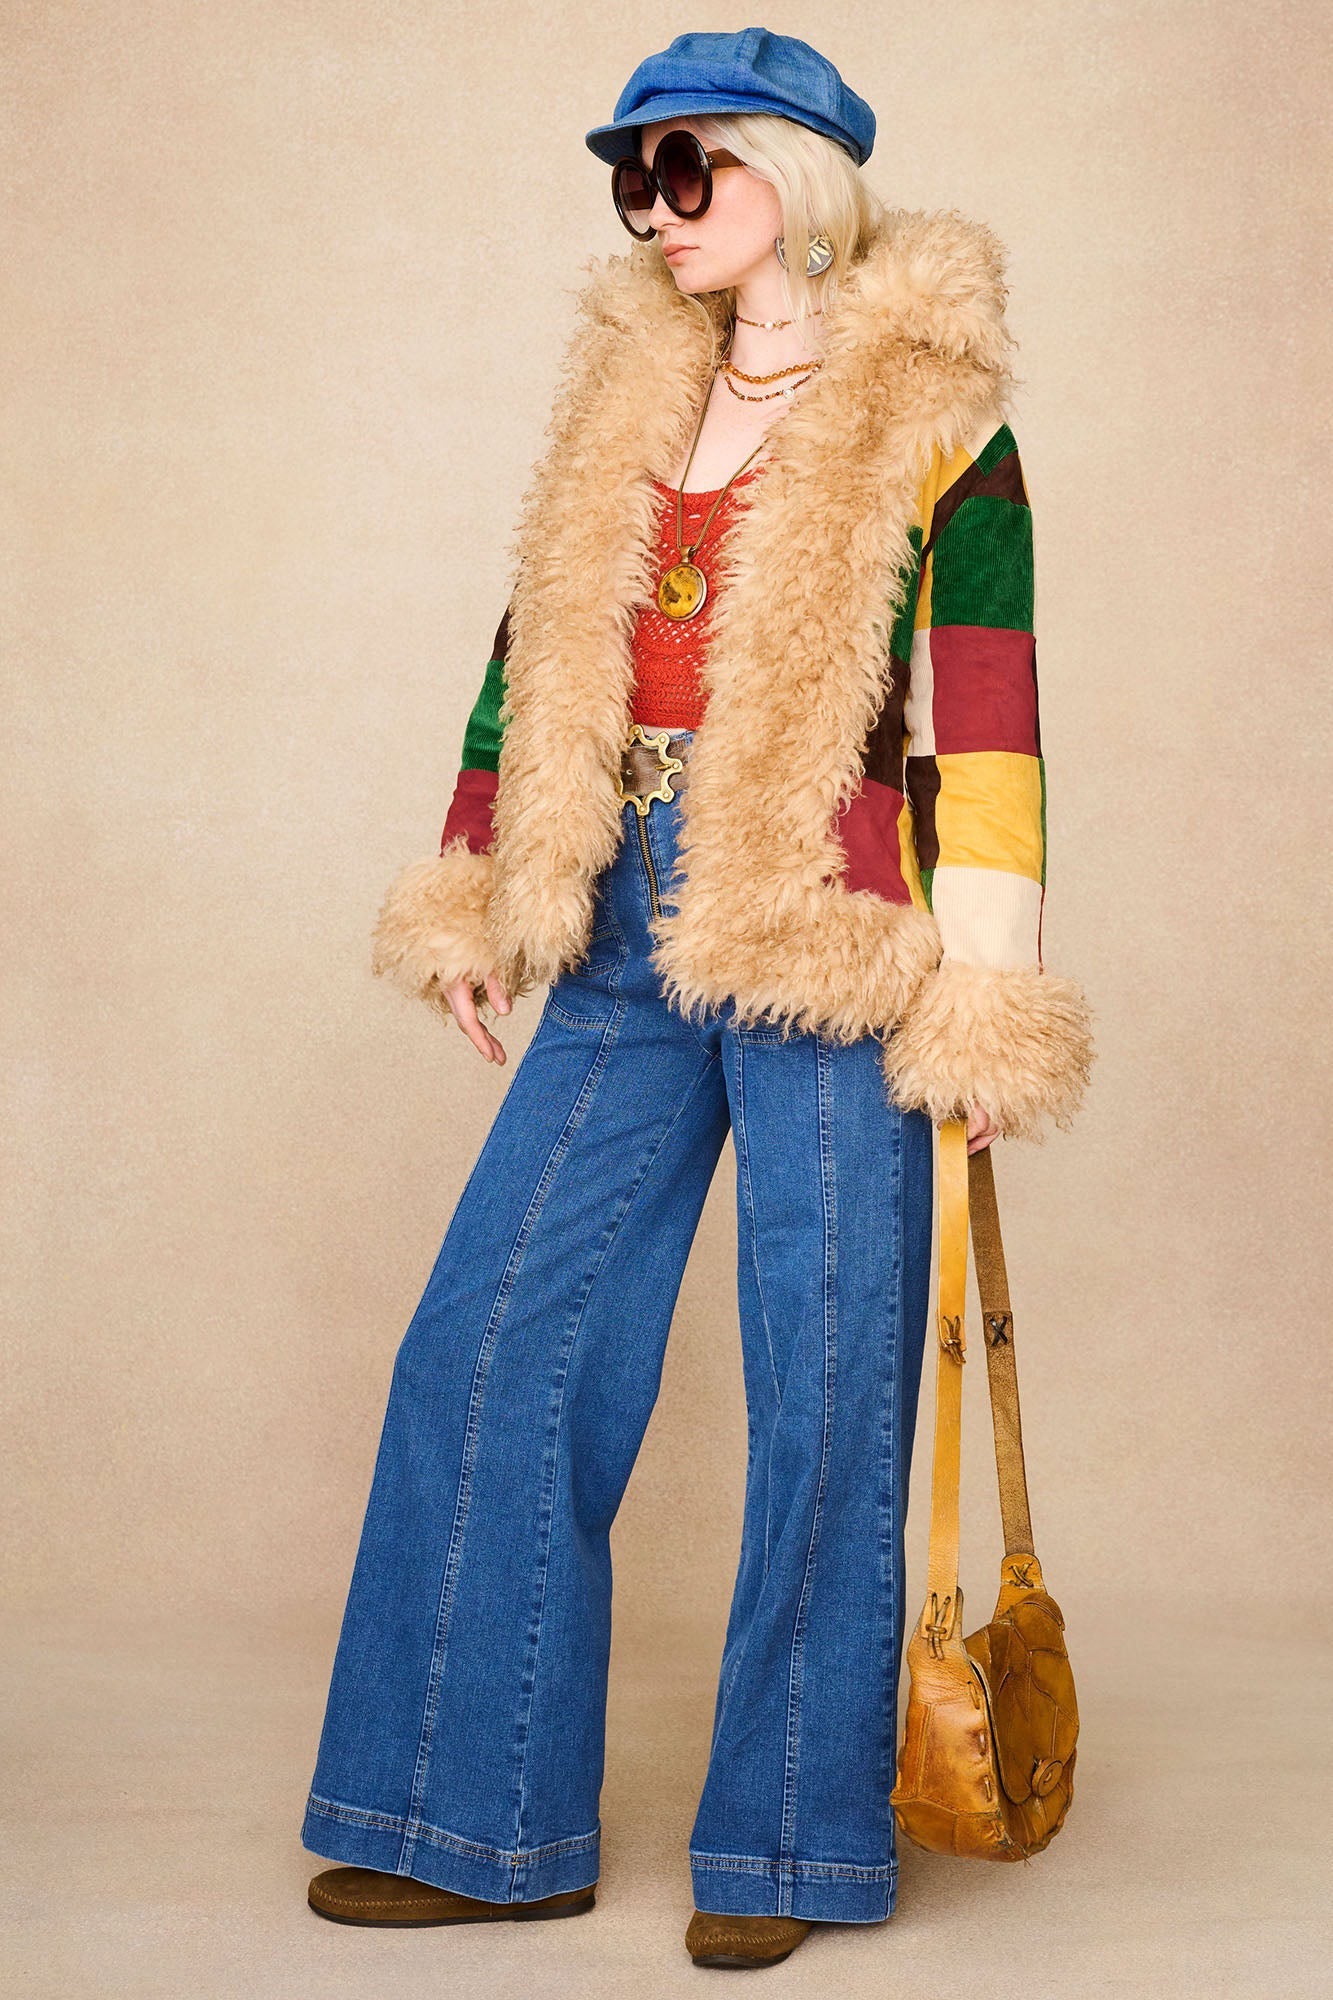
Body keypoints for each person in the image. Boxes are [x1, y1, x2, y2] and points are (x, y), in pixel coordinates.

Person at [299, 26, 1095, 1974]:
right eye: (630, 180)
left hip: (830, 924)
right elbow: (531, 657)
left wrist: (983, 994)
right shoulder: (627, 390)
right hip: (618, 919)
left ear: (793, 177)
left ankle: (789, 1844)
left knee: (825, 1389)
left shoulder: (937, 418)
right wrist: (479, 880)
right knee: (494, 1345)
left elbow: (987, 726)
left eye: (686, 171)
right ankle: (471, 1819)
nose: (652, 214)